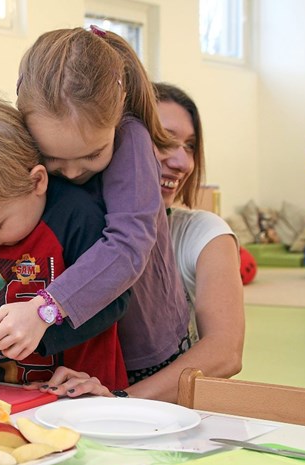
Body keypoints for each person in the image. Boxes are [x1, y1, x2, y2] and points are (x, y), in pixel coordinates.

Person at [0, 26, 189, 393]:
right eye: (53, 159)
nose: (73, 172)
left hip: (141, 341)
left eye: (94, 154)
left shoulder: (130, 140)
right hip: (63, 347)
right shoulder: (33, 126)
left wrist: (43, 310)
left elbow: (128, 247)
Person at [26, 83, 245, 402]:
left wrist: (120, 400)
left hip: (156, 405)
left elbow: (225, 352)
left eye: (190, 146)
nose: (183, 162)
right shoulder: (75, 224)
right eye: (163, 140)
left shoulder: (205, 233)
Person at [0, 90, 129, 390]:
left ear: (37, 181)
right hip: (8, 386)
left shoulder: (76, 216)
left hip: (82, 388)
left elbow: (113, 299)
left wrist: (42, 331)